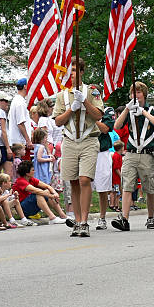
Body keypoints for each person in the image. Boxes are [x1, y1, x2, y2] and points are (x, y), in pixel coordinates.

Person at [52, 58, 104, 237]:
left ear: (82, 72)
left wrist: (85, 102)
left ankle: (84, 221)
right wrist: (71, 109)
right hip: (69, 141)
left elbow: (98, 115)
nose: (71, 74)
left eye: (75, 70)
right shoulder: (62, 95)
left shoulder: (93, 92)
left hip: (89, 139)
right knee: (73, 181)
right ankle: (77, 218)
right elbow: (58, 121)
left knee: (84, 180)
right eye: (70, 70)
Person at [112, 82, 154, 231]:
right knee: (127, 185)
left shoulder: (152, 109)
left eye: (139, 92)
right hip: (131, 153)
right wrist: (127, 108)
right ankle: (124, 219)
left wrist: (144, 112)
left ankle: (151, 217)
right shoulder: (129, 110)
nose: (136, 95)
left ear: (144, 95)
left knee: (149, 187)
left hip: (146, 154)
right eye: (133, 93)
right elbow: (117, 126)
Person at [93, 106, 116, 231]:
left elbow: (105, 129)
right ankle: (79, 217)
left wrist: (91, 118)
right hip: (85, 150)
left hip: (101, 151)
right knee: (82, 184)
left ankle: (102, 217)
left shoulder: (107, 111)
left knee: (102, 187)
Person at [7, 79, 33, 155]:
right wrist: (28, 141)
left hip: (17, 142)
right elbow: (20, 123)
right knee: (22, 166)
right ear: (25, 86)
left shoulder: (15, 100)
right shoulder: (20, 102)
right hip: (20, 144)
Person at [0, 92, 13, 176]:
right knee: (8, 173)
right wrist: (8, 148)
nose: (7, 103)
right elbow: (3, 130)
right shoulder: (0, 112)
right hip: (2, 145)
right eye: (5, 101)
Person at [110, 140, 124, 211]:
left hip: (116, 178)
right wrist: (121, 175)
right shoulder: (116, 156)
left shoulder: (118, 156)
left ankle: (116, 205)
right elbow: (116, 168)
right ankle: (114, 205)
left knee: (116, 192)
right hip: (116, 178)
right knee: (116, 192)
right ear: (121, 148)